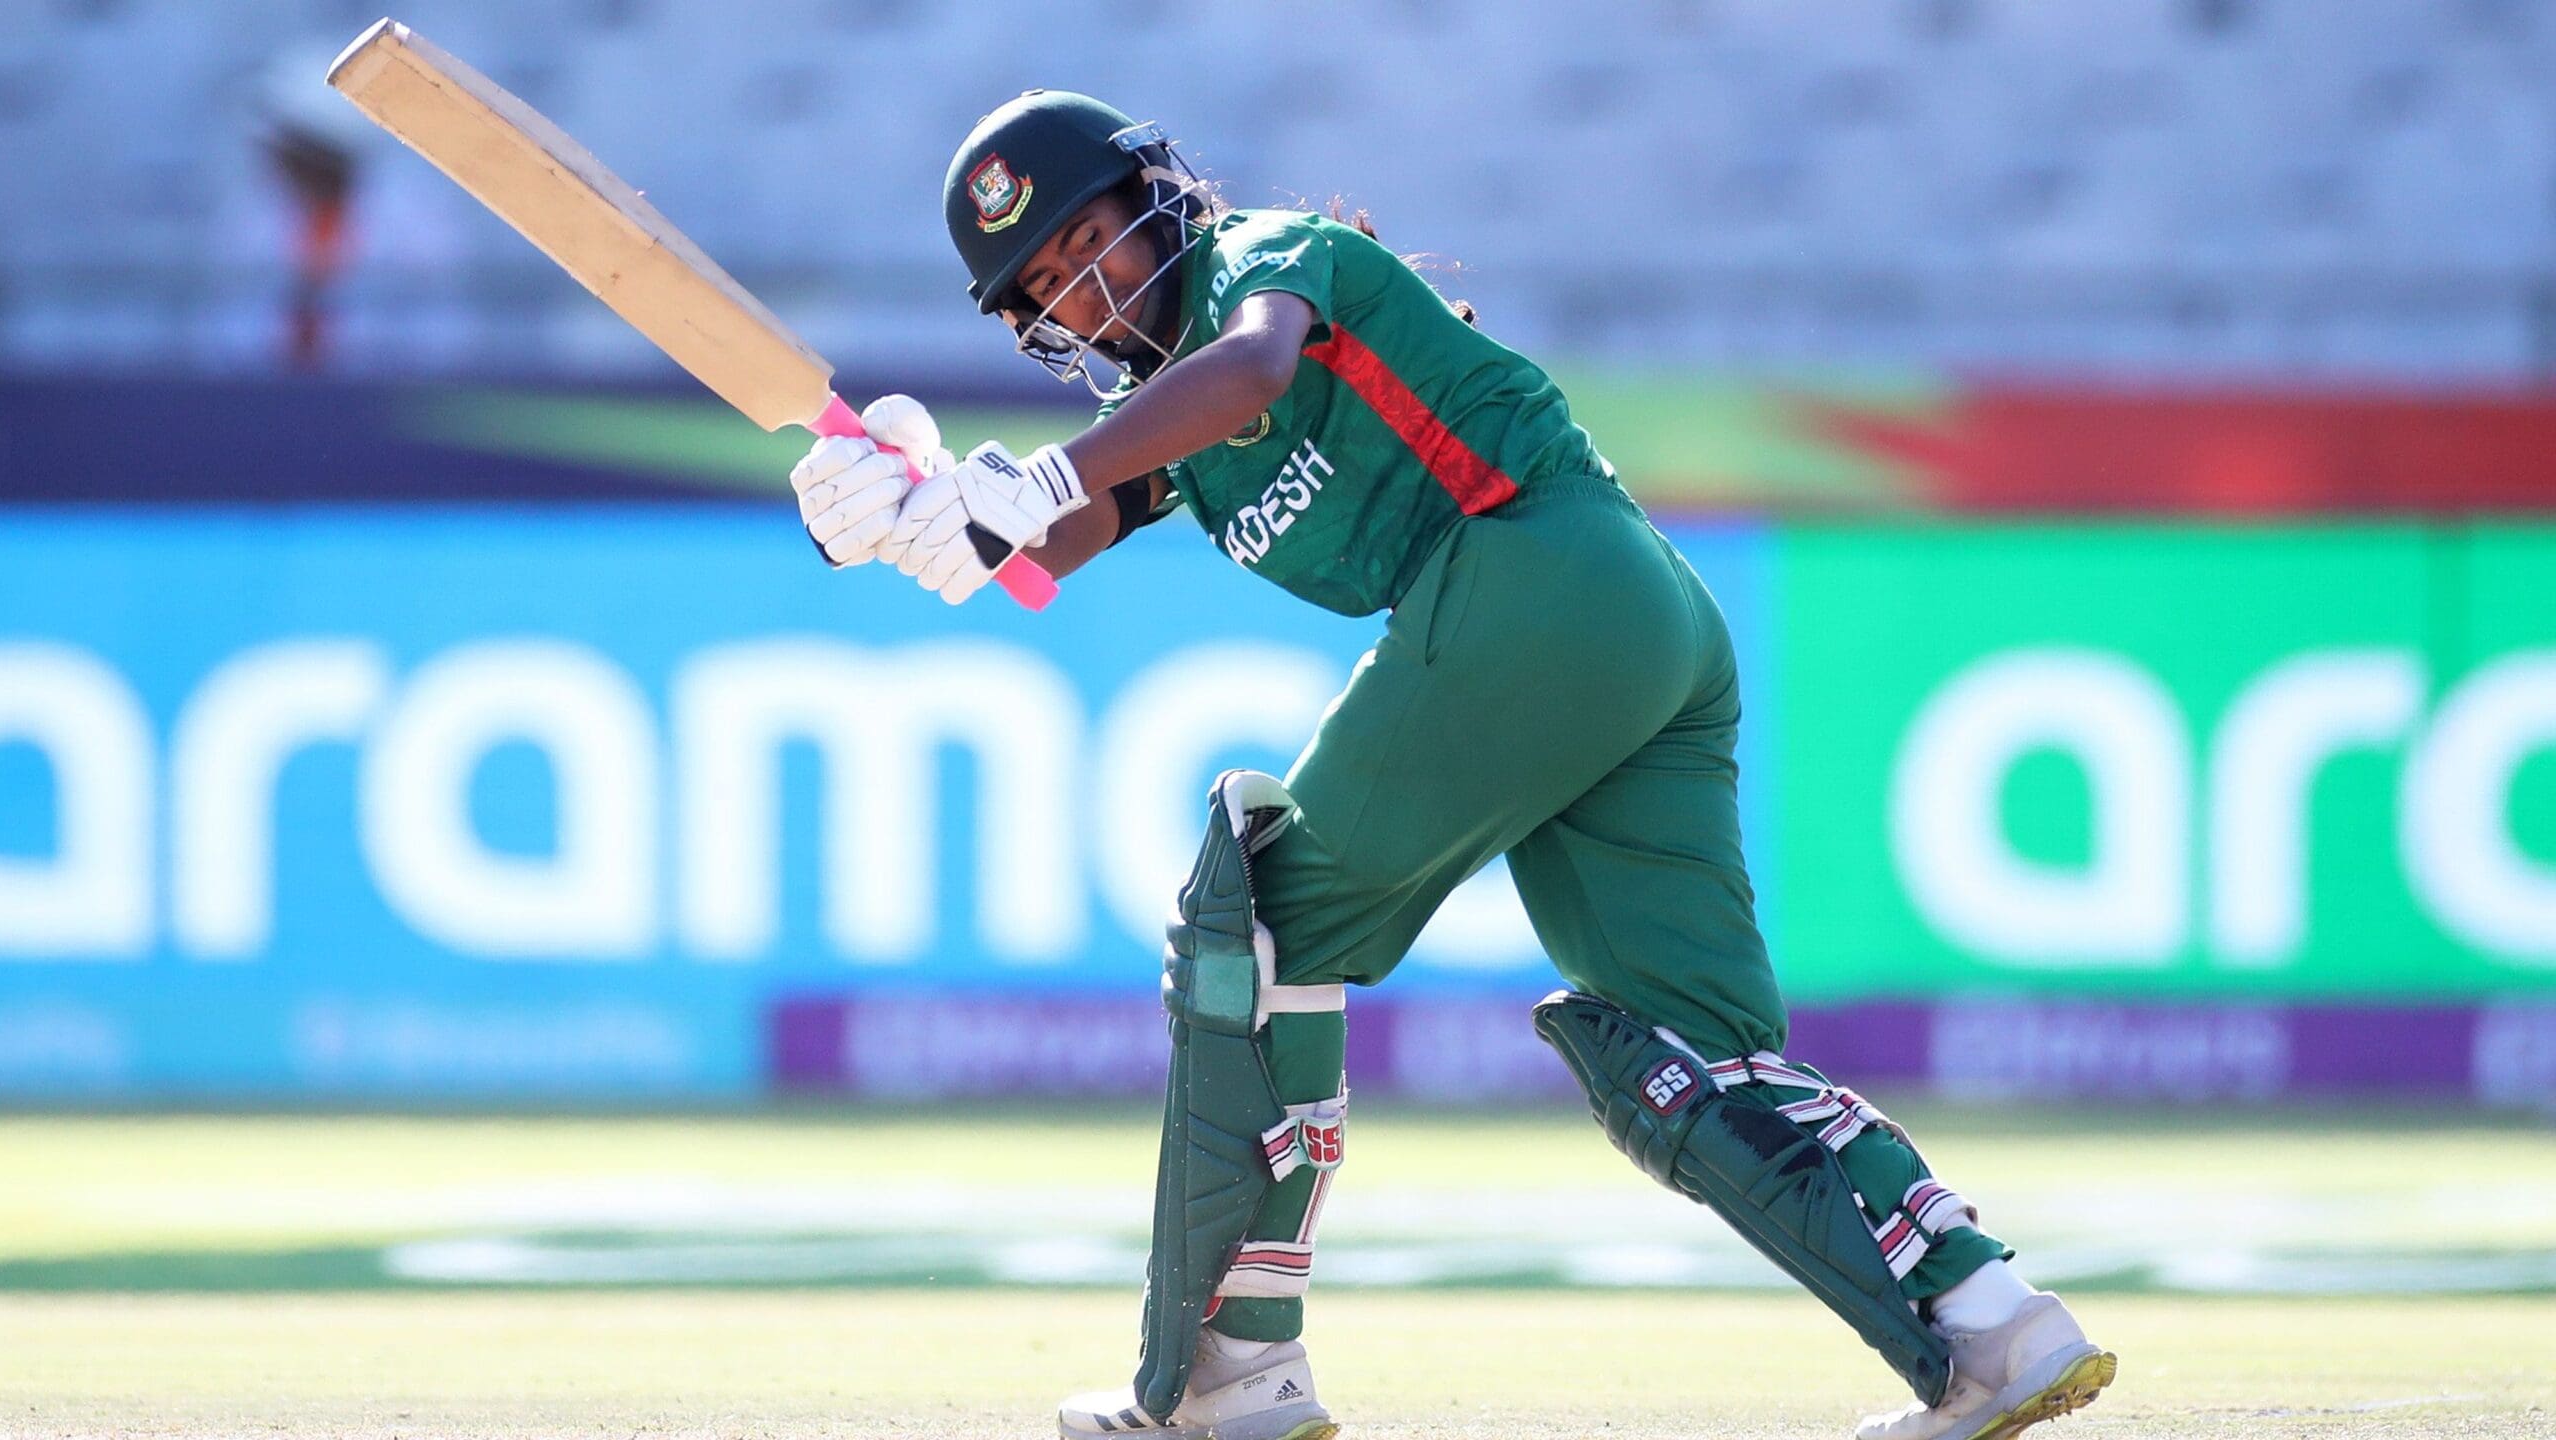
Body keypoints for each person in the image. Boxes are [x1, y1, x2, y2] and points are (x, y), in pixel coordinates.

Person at [786, 90, 2118, 1440]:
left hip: (1529, 572)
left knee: (1259, 929)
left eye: (1091, 241)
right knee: (1684, 1050)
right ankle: (1993, 1327)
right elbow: (1036, 552)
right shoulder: (1161, 431)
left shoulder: (1264, 258)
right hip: (1629, 620)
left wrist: (1045, 481)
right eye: (1047, 287)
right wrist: (904, 512)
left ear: (1158, 197)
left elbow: (1244, 376)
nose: (1086, 290)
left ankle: (1232, 1372)